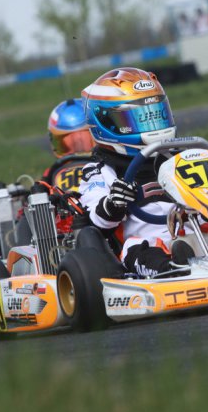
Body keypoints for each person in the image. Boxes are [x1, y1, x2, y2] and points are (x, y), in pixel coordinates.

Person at [77, 67, 189, 277]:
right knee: (135, 248)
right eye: (135, 118)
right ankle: (173, 269)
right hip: (149, 241)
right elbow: (97, 222)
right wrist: (113, 203)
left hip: (192, 228)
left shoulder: (181, 157)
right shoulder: (100, 171)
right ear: (105, 123)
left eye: (156, 114)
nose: (152, 125)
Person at [44, 98, 96, 191]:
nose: (79, 150)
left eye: (84, 139)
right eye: (69, 142)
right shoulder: (50, 173)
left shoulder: (110, 166)